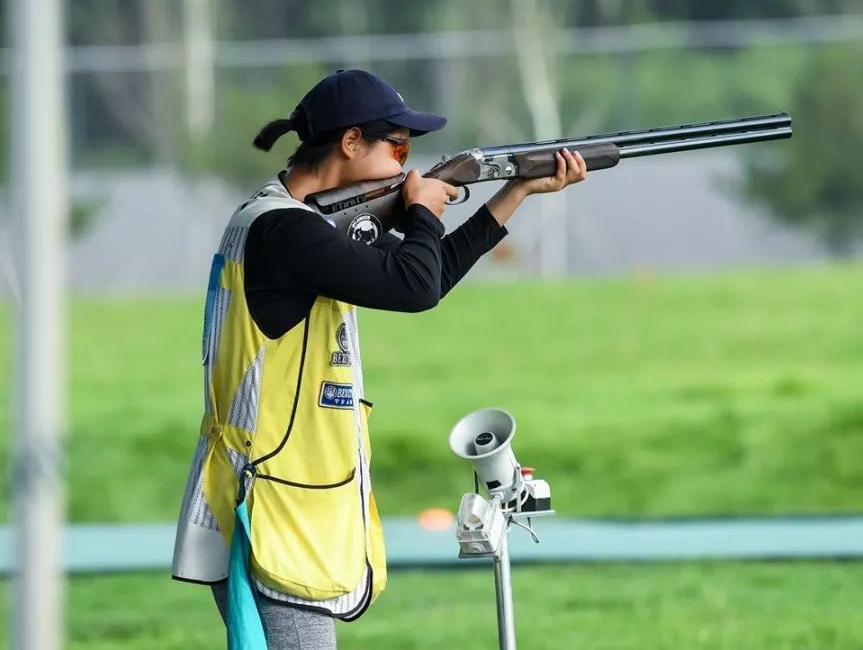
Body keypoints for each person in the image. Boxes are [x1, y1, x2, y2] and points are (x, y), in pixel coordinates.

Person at [170, 68, 588, 650]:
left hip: (277, 493)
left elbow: (426, 277)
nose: (404, 166)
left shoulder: (287, 222)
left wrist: (512, 193)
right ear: (350, 142)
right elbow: (412, 287)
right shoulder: (288, 232)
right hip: (272, 502)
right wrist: (422, 211)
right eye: (399, 148)